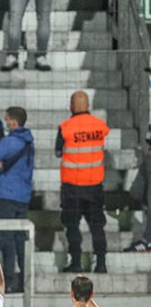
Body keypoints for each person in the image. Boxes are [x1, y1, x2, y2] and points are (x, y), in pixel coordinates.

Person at [56, 91, 110, 273]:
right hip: (94, 185)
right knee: (97, 226)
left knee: (72, 225)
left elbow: (58, 152)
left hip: (72, 186)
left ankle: (76, 262)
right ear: (88, 106)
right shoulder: (100, 126)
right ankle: (101, 263)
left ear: (71, 107)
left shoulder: (65, 127)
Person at [0, 106, 34, 291]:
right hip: (23, 195)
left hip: (6, 194)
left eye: (7, 120)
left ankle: (8, 280)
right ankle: (23, 280)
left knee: (6, 238)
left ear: (13, 121)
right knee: (20, 238)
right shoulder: (28, 141)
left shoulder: (10, 141)